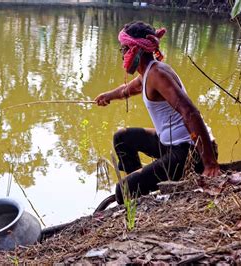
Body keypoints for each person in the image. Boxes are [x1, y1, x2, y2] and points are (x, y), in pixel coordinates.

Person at [94, 21, 220, 205]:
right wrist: (107, 96)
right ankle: (141, 190)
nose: (122, 55)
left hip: (190, 153)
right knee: (122, 138)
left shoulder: (157, 75)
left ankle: (136, 195)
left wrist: (209, 162)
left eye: (124, 49)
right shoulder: (147, 73)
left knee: (123, 190)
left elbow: (190, 112)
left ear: (135, 50)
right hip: (170, 144)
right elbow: (126, 90)